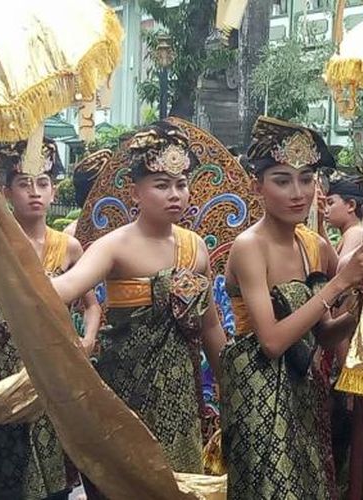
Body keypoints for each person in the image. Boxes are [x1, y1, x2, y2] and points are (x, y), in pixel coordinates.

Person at [219, 116, 363, 499]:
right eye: (282, 180)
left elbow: (325, 335)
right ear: (257, 186)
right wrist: (342, 283)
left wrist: (359, 308)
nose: (298, 192)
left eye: (307, 178)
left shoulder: (314, 245)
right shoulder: (249, 246)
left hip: (303, 390)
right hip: (256, 390)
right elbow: (273, 341)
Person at [50, 122, 226, 481]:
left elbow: (210, 325)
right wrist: (17, 263)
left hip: (181, 399)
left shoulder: (196, 248)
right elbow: (65, 289)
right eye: (161, 186)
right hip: (126, 391)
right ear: (135, 193)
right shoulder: (115, 245)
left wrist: (231, 387)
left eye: (181, 184)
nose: (174, 194)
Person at [0, 138, 102, 500]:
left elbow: (92, 305)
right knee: (2, 472)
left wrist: (87, 341)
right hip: (2, 372)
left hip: (54, 374)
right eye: (24, 184)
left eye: (42, 183)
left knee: (54, 477)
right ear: (6, 192)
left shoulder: (69, 247)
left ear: (54, 191)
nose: (34, 192)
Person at [324, 174, 363, 260]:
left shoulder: (355, 232)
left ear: (351, 205)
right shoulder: (350, 233)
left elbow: (342, 271)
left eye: (330, 203)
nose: (325, 210)